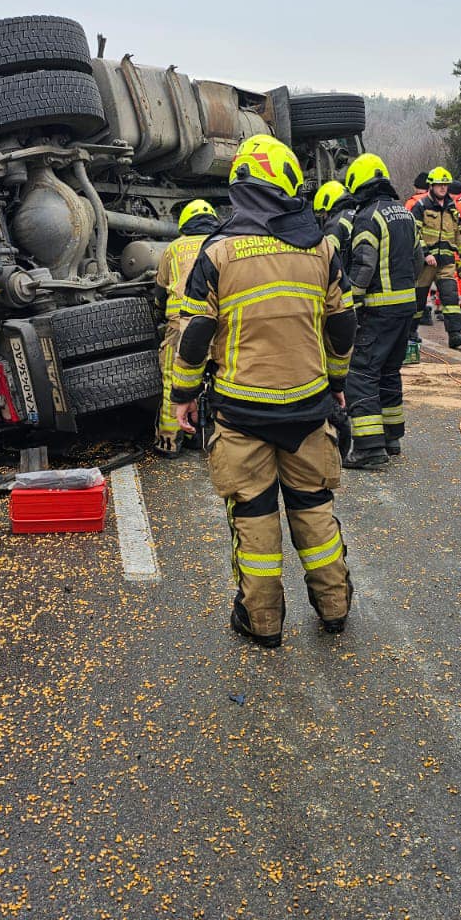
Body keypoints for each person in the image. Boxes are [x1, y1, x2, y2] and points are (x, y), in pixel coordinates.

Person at [171, 134, 357, 648]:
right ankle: (335, 609)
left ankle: (263, 622)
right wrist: (337, 383)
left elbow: (194, 336)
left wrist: (182, 397)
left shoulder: (219, 252)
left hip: (240, 413)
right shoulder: (322, 248)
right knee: (313, 507)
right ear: (289, 184)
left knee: (253, 518)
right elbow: (342, 328)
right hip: (308, 408)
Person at [339, 152, 418, 471]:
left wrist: (350, 303)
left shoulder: (368, 216)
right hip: (405, 308)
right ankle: (391, 437)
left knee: (361, 374)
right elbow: (417, 258)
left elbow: (364, 265)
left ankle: (369, 448)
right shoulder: (405, 213)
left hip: (378, 309)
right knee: (389, 371)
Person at [151, 198, 221, 456]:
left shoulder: (174, 248)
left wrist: (158, 310)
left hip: (180, 328)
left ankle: (169, 442)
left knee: (174, 381)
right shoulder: (221, 244)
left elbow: (160, 290)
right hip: (216, 326)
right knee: (216, 378)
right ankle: (210, 435)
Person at [410, 166, 461, 349]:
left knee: (450, 297)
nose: (443, 188)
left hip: (446, 262)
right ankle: (411, 332)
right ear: (431, 185)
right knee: (419, 298)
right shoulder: (421, 207)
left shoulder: (452, 208)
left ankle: (455, 334)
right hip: (426, 263)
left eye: (445, 185)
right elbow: (414, 233)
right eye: (439, 185)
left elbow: (458, 235)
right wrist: (425, 254)